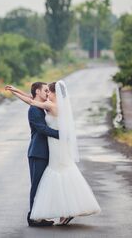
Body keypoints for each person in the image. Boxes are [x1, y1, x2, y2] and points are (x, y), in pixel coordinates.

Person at [5, 80, 101, 226]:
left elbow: (32, 101)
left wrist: (16, 92)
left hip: (54, 147)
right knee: (56, 178)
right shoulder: (52, 106)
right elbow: (32, 101)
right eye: (45, 91)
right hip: (49, 148)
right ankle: (52, 214)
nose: (47, 93)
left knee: (56, 177)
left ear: (54, 93)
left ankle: (55, 213)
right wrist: (16, 91)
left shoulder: (49, 106)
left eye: (48, 91)